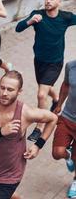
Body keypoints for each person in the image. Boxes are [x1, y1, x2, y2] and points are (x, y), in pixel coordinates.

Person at [0, 70, 57, 199]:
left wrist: (38, 145)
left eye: (10, 90)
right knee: (6, 194)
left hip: (11, 175)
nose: (4, 93)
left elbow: (53, 118)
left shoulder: (26, 113)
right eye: (2, 88)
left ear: (19, 91)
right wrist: (0, 132)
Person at [15, 0, 76, 142]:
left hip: (55, 63)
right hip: (39, 61)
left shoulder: (65, 17)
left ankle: (40, 127)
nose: (48, 1)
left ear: (59, 1)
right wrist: (30, 22)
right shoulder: (37, 14)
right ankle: (55, 99)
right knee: (45, 86)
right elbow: (18, 28)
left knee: (41, 94)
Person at [52, 60, 76, 198]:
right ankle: (68, 156)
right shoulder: (71, 66)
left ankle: (75, 182)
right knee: (57, 153)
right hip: (67, 118)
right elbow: (66, 85)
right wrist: (59, 104)